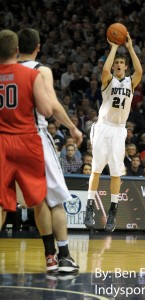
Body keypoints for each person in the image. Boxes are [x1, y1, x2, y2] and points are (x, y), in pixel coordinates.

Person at [18, 28, 83, 272]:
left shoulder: (7, 71)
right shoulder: (40, 70)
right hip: (35, 137)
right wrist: (73, 128)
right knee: (55, 200)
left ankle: (49, 256)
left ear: (16, 49)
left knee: (37, 201)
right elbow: (53, 106)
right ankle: (64, 256)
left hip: (11, 139)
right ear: (38, 46)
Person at [84, 33, 142, 232]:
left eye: (121, 63)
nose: (118, 65)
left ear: (126, 67)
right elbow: (105, 69)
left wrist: (131, 49)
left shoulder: (130, 83)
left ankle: (113, 211)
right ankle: (89, 207)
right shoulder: (108, 80)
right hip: (103, 126)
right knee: (96, 169)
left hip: (118, 131)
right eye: (116, 62)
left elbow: (140, 72)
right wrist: (114, 48)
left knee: (116, 172)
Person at [0, 30, 52, 250]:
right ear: (17, 50)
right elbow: (47, 110)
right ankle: (51, 255)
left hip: (1, 140)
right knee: (38, 199)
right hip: (26, 139)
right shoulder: (31, 75)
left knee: (0, 203)